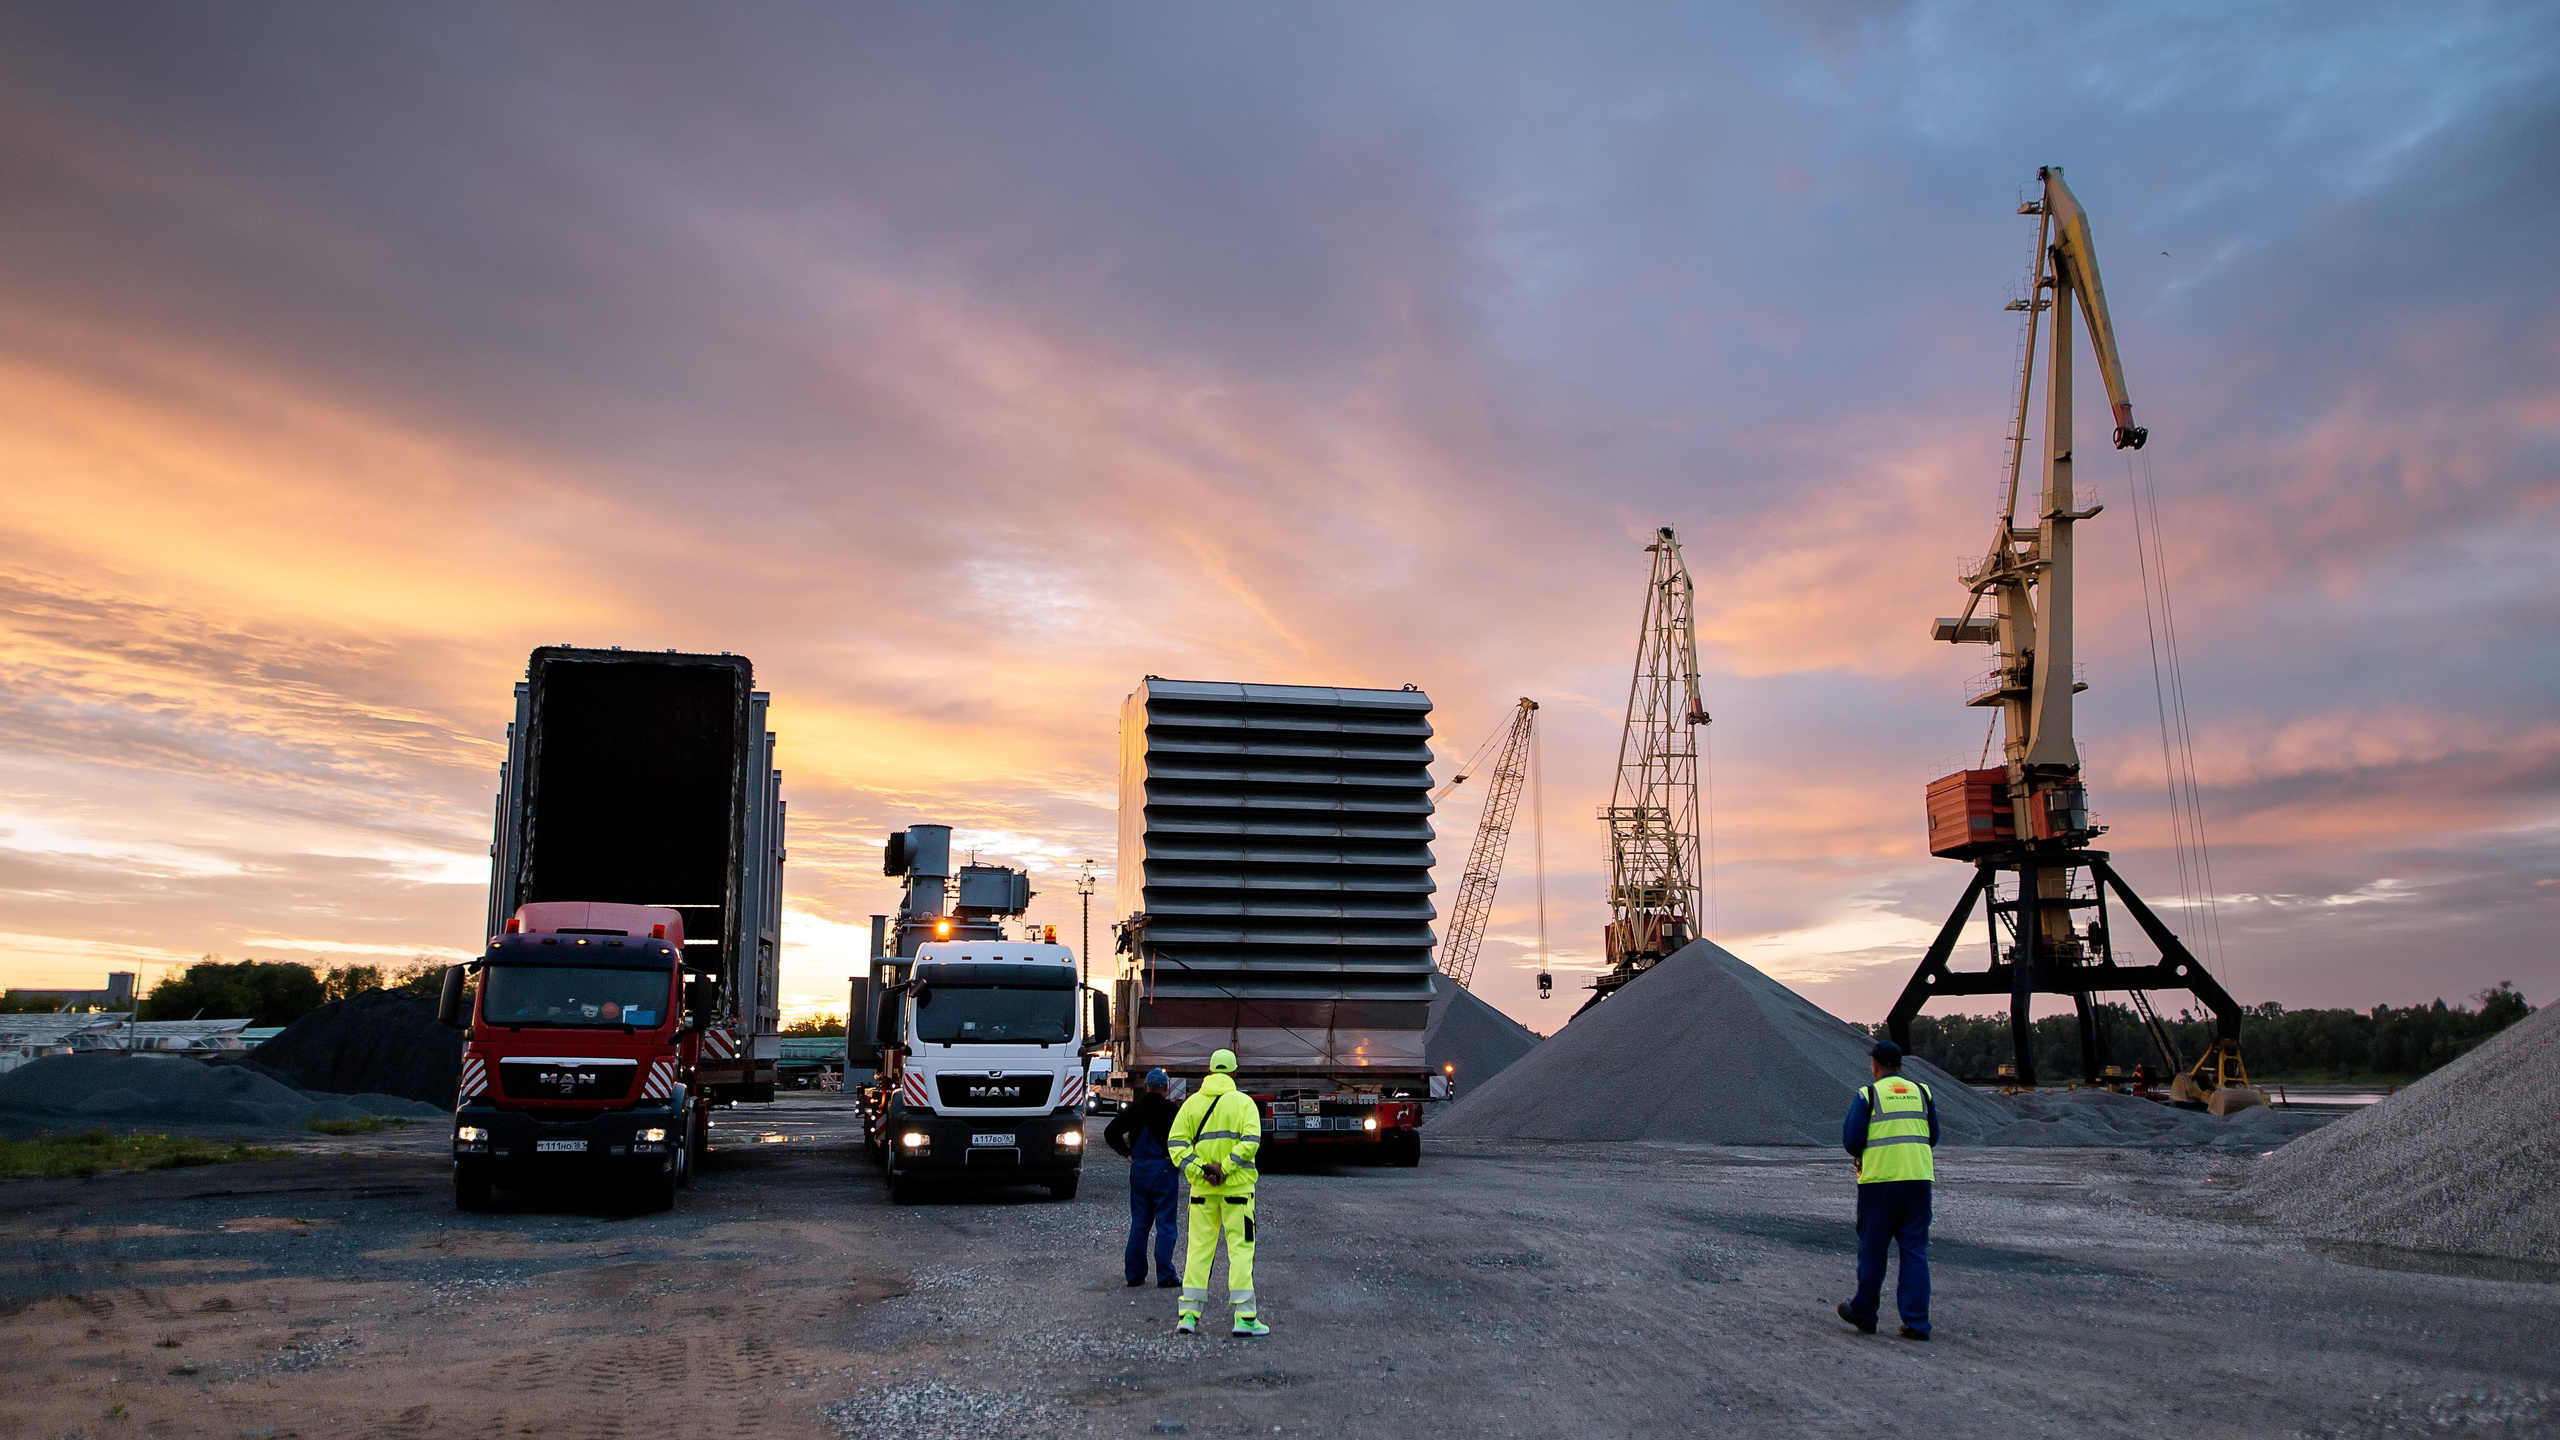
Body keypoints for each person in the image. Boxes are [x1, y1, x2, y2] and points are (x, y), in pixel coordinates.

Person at [1838, 1040, 1937, 1341]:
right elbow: (1932, 1136)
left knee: (1873, 1250)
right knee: (1914, 1251)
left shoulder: (1869, 1094)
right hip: (1918, 1181)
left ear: (1876, 1065)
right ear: (1900, 1065)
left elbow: (1852, 1140)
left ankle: (1865, 1313)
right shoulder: (1922, 1093)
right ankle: (1917, 1323)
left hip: (1879, 1183)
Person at [1167, 1047, 1266, 1337]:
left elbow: (1175, 1146)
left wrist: (1202, 1171)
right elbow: (1251, 1141)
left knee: (1197, 1251)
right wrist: (1225, 1168)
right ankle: (1245, 1319)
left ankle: (1188, 1316)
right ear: (1235, 1073)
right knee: (1241, 1252)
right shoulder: (1244, 1103)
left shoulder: (1191, 1104)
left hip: (1202, 1193)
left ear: (1209, 1072)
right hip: (1238, 1192)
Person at [1105, 1068, 1184, 1289]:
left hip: (1139, 1169)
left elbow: (1110, 1133)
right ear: (1166, 1089)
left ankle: (1135, 1274)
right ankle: (1166, 1275)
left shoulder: (1135, 1109)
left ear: (1146, 1086)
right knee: (1166, 1223)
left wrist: (1126, 1153)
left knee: (1140, 1223)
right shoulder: (1172, 1111)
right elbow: (1186, 1138)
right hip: (1164, 1168)